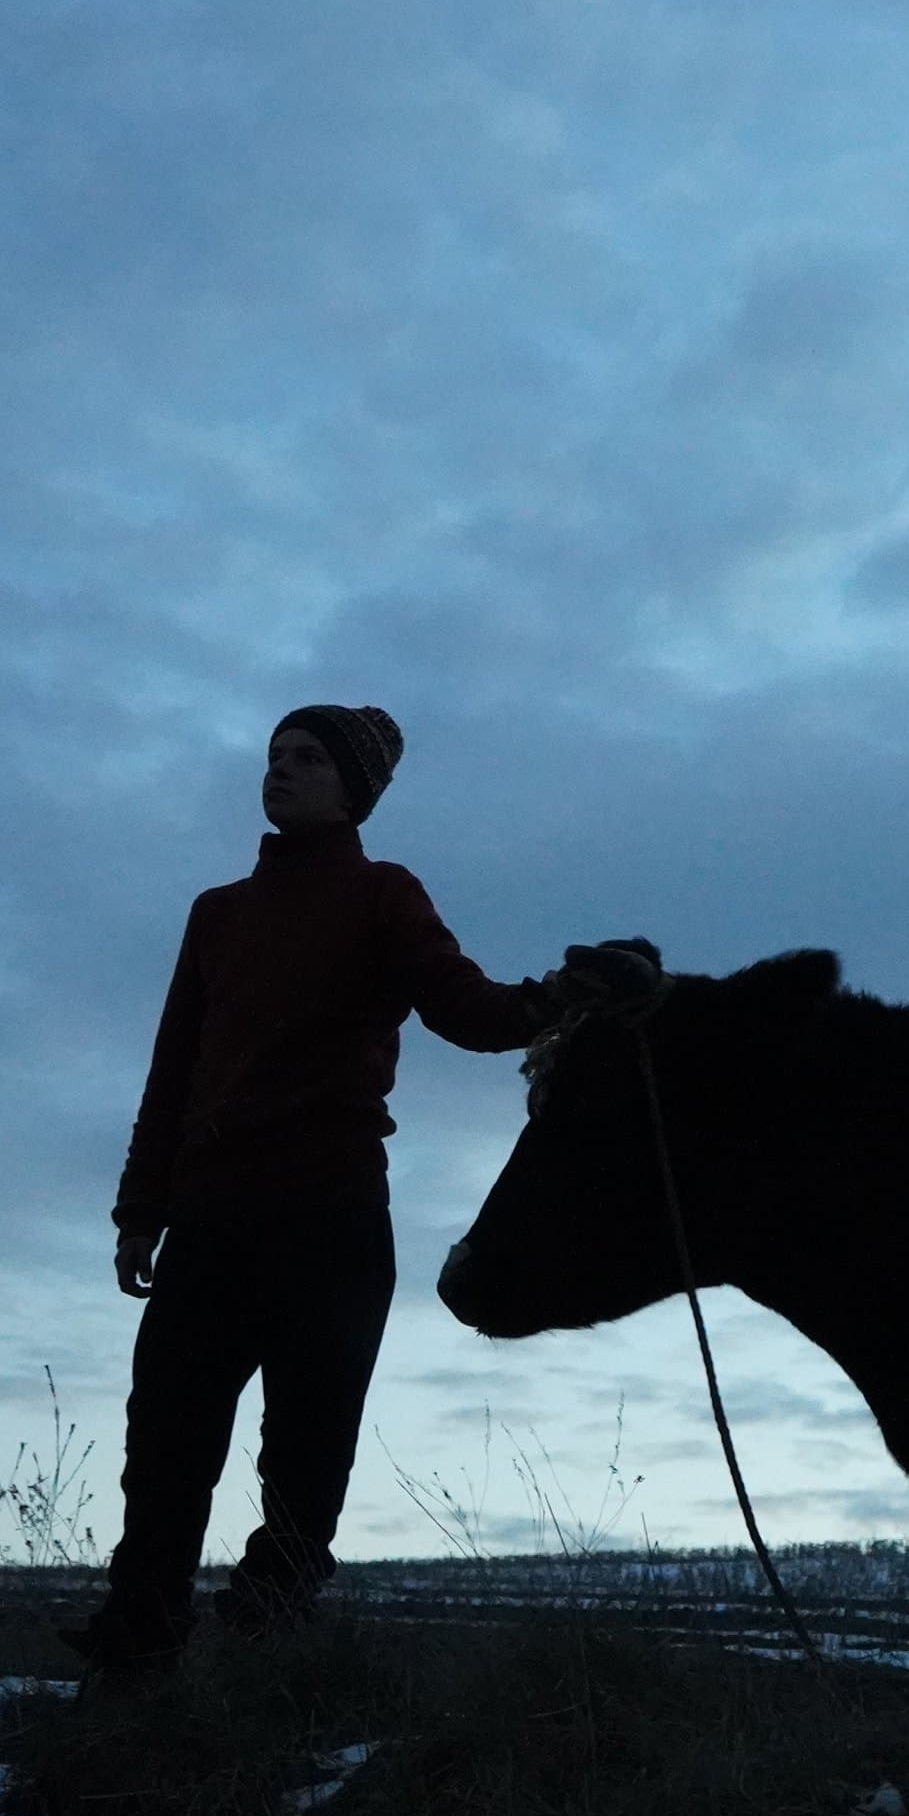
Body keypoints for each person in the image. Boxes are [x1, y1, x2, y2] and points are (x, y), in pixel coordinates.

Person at [61, 704, 560, 1676]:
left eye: (307, 758)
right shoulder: (218, 915)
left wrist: (563, 996)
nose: (280, 770)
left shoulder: (382, 895)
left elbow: (470, 1008)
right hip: (209, 1223)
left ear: (353, 788)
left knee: (305, 1461)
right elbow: (173, 1074)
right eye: (274, 755)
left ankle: (268, 1647)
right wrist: (138, 1211)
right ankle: (137, 1647)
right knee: (165, 1444)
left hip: (331, 1221)